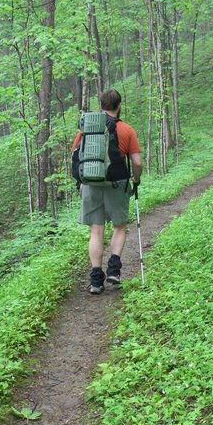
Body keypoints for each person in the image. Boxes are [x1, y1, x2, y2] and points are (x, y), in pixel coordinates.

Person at [72, 88, 143, 294]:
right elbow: (137, 161)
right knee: (119, 226)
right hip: (117, 183)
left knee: (96, 230)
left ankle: (95, 280)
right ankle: (114, 269)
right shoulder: (126, 130)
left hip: (90, 184)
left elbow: (76, 156)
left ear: (100, 105)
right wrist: (136, 179)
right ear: (119, 106)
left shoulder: (86, 129)